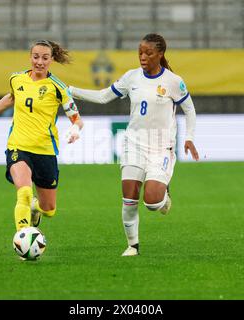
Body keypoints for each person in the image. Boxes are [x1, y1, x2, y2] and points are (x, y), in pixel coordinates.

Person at [69, 33, 199, 256]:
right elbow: (102, 97)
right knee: (129, 199)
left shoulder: (173, 81)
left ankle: (163, 195)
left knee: (151, 202)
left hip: (161, 148)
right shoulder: (131, 77)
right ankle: (133, 245)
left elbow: (189, 109)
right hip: (134, 144)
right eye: (140, 52)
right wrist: (70, 91)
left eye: (148, 53)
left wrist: (189, 137)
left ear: (160, 54)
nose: (143, 56)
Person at [0, 40, 83, 237]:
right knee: (24, 193)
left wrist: (75, 129)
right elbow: (12, 97)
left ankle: (36, 207)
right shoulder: (16, 79)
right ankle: (23, 239)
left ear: (51, 59)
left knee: (49, 209)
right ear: (30, 57)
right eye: (36, 57)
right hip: (18, 146)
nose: (39, 62)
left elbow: (77, 119)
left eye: (45, 58)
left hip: (45, 150)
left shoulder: (58, 87)